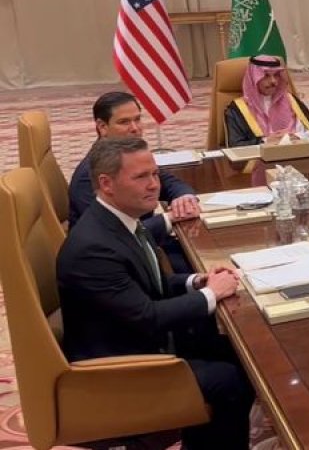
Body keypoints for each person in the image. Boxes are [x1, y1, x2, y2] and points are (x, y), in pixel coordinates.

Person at [57, 137, 256, 448]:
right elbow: (148, 316)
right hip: (120, 369)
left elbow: (149, 284)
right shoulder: (94, 248)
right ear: (106, 184)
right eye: (141, 177)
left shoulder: (122, 221)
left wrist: (197, 282)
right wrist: (211, 295)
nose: (154, 185)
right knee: (230, 380)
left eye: (154, 174)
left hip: (137, 337)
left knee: (235, 347)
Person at [69, 91, 199, 273]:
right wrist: (169, 218)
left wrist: (184, 197)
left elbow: (169, 182)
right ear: (102, 127)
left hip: (150, 244)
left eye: (138, 119)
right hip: (120, 262)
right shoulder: (89, 176)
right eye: (124, 122)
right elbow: (114, 235)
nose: (135, 128)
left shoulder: (129, 157)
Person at [224, 54, 309, 147]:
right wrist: (266, 141)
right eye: (266, 76)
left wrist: (296, 136)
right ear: (253, 78)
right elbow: (235, 145)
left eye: (276, 75)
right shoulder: (239, 108)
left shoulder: (291, 100)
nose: (273, 81)